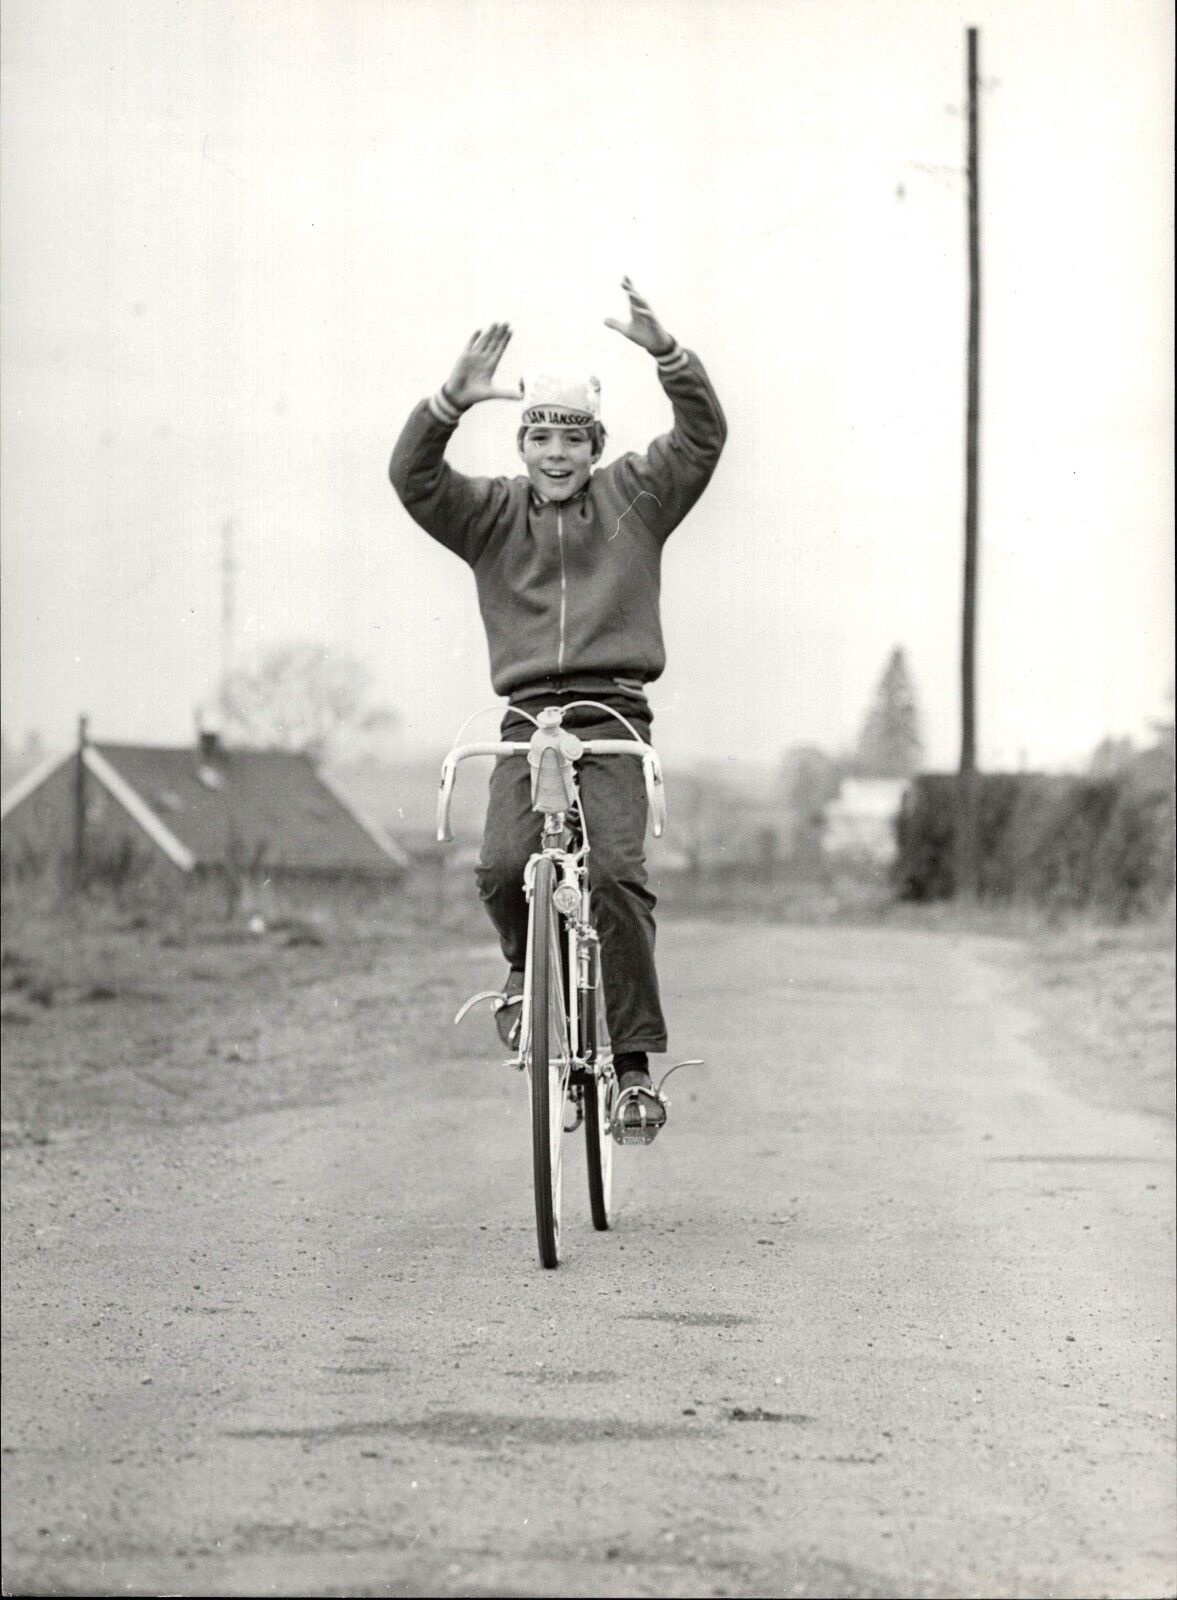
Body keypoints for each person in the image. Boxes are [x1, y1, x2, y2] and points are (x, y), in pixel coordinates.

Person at [389, 279, 726, 1134]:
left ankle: (636, 1069)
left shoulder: (637, 497)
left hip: (613, 714)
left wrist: (668, 356)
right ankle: (521, 972)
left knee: (615, 876)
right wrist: (446, 403)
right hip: (526, 719)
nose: (554, 452)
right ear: (523, 442)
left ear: (595, 445)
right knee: (504, 868)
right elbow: (413, 478)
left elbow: (702, 437)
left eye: (571, 437)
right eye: (539, 435)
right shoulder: (490, 514)